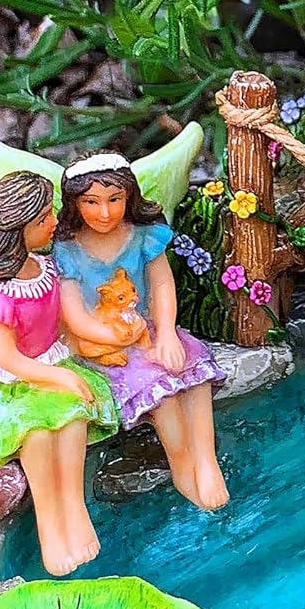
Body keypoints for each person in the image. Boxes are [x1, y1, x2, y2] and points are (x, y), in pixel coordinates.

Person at [0, 172, 119, 575]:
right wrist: (61, 377)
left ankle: (75, 508)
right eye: (42, 219)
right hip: (17, 385)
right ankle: (50, 526)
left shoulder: (48, 270)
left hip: (55, 363)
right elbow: (9, 358)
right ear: (17, 231)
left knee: (72, 419)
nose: (53, 222)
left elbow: (65, 323)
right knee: (36, 434)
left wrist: (100, 339)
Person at [53, 154, 228, 510]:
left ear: (129, 197)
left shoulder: (143, 236)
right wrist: (116, 338)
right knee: (161, 393)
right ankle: (182, 467)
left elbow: (162, 285)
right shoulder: (68, 250)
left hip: (145, 329)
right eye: (91, 202)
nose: (105, 212)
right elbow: (73, 314)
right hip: (101, 345)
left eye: (114, 200)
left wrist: (167, 334)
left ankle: (206, 460)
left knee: (193, 374)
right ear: (74, 204)